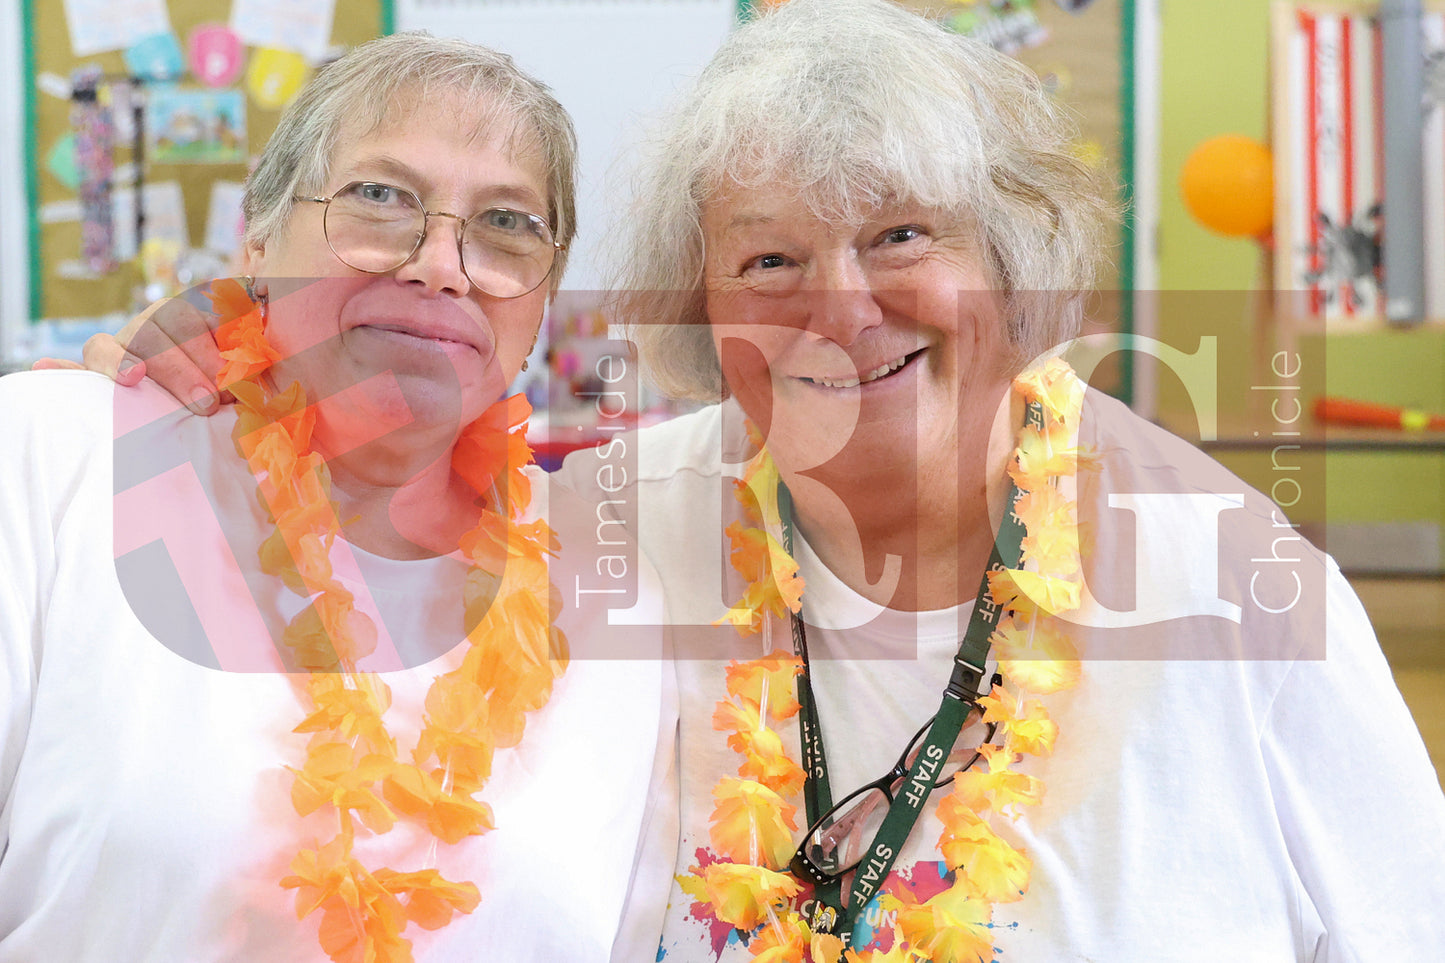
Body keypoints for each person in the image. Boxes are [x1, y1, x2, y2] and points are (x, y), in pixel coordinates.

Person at [65, 1, 1445, 961]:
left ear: (1016, 262)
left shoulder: (1236, 592)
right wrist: (228, 341)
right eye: (769, 258)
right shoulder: (619, 518)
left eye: (901, 232)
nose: (837, 307)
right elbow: (393, 468)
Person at [0, 34, 669, 963]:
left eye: (508, 224)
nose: (442, 263)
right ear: (259, 240)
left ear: (544, 298)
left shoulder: (618, 600)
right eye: (380, 197)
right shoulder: (50, 458)